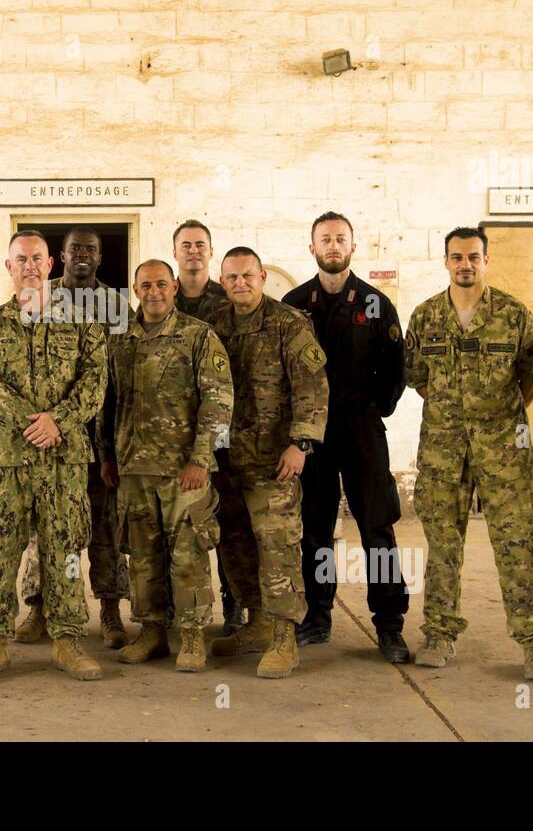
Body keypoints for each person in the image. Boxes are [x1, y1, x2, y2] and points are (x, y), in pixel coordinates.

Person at [405, 226, 533, 679]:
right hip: (442, 449)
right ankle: (439, 633)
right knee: (442, 547)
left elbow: (532, 376)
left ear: (486, 260)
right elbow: (416, 375)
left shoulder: (513, 315)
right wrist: (456, 412)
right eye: (457, 257)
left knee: (517, 545)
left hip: (505, 449)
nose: (465, 264)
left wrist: (495, 416)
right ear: (445, 261)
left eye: (473, 257)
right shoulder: (426, 316)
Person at [0, 230, 107, 684]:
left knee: (64, 548)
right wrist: (33, 422)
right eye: (20, 259)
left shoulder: (83, 322)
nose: (29, 265)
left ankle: (67, 639)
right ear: (9, 267)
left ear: (51, 265)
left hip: (62, 459)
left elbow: (95, 382)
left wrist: (58, 422)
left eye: (37, 259)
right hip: (5, 459)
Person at [282, 212, 410, 663]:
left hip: (360, 428)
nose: (333, 245)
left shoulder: (375, 303)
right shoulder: (295, 303)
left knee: (376, 528)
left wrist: (373, 410)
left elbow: (397, 368)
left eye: (340, 239)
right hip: (312, 434)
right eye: (325, 239)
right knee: (315, 531)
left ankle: (389, 626)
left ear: (353, 247)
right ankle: (317, 617)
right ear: (311, 247)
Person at [101, 260, 233, 671]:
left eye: (161, 284)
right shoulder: (120, 339)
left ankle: (192, 636)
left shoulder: (197, 336)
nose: (154, 291)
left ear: (174, 287)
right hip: (133, 470)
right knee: (142, 556)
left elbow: (218, 400)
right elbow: (106, 404)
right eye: (145, 285)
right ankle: (152, 632)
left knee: (187, 555)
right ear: (135, 291)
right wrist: (107, 456)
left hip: (183, 471)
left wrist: (200, 458)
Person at [207, 247, 329, 678]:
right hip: (227, 460)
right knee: (236, 543)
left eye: (247, 275)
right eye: (232, 277)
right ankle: (257, 622)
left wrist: (301, 444)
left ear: (262, 277)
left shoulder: (288, 324)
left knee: (277, 545)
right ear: (222, 282)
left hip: (274, 460)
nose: (240, 283)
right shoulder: (215, 326)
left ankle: (283, 636)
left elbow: (312, 388)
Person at [15, 226, 130, 649]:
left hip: (102, 434)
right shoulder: (39, 299)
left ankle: (111, 610)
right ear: (60, 257)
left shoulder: (115, 305)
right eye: (75, 248)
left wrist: (115, 445)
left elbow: (120, 378)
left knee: (105, 526)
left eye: (91, 249)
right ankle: (40, 607)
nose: (83, 254)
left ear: (100, 258)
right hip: (50, 436)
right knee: (46, 526)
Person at [172, 219, 243, 635]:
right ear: (176, 252)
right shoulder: (162, 295)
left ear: (210, 252)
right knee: (181, 525)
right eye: (186, 245)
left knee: (228, 522)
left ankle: (234, 605)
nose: (193, 251)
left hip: (223, 431)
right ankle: (172, 610)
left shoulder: (228, 299)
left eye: (200, 245)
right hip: (174, 433)